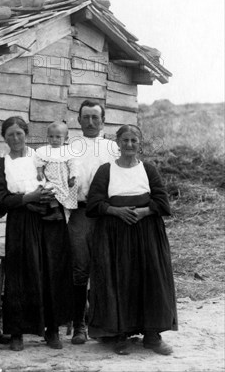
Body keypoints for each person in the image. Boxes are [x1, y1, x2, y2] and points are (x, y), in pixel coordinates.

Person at [86, 125, 177, 355]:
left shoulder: (148, 169)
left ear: (139, 143)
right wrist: (115, 211)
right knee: (118, 281)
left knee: (151, 279)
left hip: (146, 233)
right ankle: (120, 336)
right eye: (125, 140)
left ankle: (152, 336)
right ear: (117, 143)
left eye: (133, 140)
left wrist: (145, 211)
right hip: (114, 235)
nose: (129, 145)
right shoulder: (106, 170)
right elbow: (93, 204)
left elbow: (162, 202)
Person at [0, 116, 73, 351]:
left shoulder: (42, 156)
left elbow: (59, 180)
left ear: (26, 134)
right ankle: (17, 332)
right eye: (10, 135)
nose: (15, 139)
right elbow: (0, 198)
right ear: (4, 138)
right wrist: (27, 199)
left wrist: (47, 197)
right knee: (21, 274)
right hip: (20, 222)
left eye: (19, 134)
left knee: (51, 271)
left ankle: (53, 329)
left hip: (49, 220)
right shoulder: (1, 165)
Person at [67, 100, 119, 345]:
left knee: (106, 267)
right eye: (85, 117)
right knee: (80, 268)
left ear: (103, 121)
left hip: (106, 214)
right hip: (80, 213)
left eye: (95, 118)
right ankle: (79, 325)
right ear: (78, 120)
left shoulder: (112, 147)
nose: (90, 122)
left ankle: (106, 324)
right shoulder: (70, 145)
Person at [34, 121, 78, 221]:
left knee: (62, 194)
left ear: (65, 138)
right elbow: (40, 162)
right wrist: (40, 172)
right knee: (48, 190)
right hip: (50, 178)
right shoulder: (44, 151)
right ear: (47, 137)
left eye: (58, 137)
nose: (54, 140)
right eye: (51, 136)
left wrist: (73, 177)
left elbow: (73, 165)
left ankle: (59, 212)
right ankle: (53, 211)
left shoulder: (68, 151)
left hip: (63, 180)